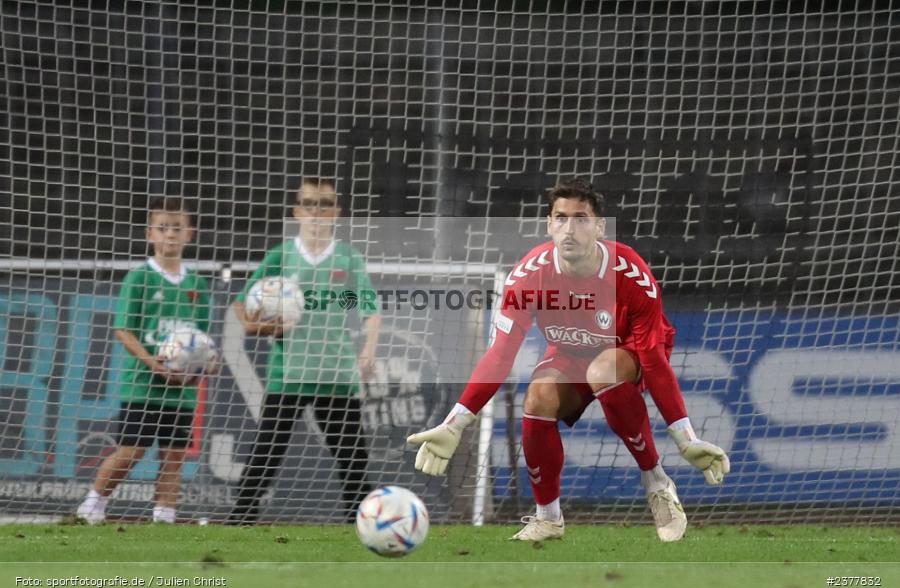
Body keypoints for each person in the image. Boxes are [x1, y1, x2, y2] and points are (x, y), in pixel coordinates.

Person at [407, 178, 730, 542]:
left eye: (581, 218)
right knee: (538, 397)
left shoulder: (630, 274)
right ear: (549, 225)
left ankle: (657, 483)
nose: (570, 228)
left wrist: (684, 437)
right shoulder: (529, 276)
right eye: (560, 218)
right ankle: (548, 518)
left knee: (603, 369)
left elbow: (653, 359)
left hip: (628, 350)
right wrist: (455, 423)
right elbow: (499, 354)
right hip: (568, 354)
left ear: (600, 227)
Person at [226, 177, 381, 524]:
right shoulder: (281, 256)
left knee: (352, 456)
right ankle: (240, 518)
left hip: (335, 372)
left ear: (336, 212)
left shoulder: (348, 258)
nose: (317, 211)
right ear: (297, 212)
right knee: (267, 450)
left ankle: (363, 526)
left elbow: (370, 308)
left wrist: (368, 352)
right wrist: (260, 326)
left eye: (324, 204)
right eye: (309, 204)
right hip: (289, 372)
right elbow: (242, 304)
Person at [76, 197, 215, 524]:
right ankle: (91, 507)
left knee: (174, 455)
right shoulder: (139, 279)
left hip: (181, 389)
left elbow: (203, 340)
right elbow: (123, 330)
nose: (170, 234)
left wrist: (209, 363)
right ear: (149, 234)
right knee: (131, 451)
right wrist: (151, 363)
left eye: (176, 228)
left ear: (189, 234)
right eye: (162, 228)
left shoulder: (198, 284)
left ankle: (164, 517)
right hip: (144, 386)